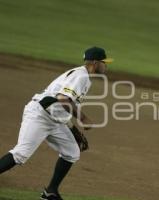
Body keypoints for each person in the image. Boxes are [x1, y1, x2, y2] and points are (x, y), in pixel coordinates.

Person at [0, 47, 113, 200]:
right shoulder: (81, 77)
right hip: (39, 115)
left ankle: (51, 191)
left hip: (53, 119)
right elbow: (62, 99)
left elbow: (61, 108)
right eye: (104, 62)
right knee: (21, 154)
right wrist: (83, 118)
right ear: (94, 62)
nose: (106, 65)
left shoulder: (83, 76)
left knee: (72, 152)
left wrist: (73, 130)